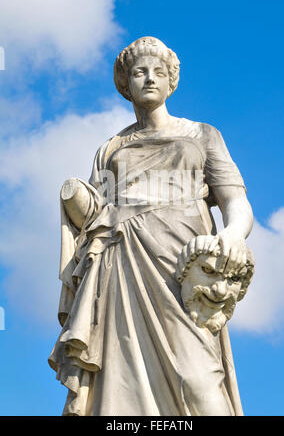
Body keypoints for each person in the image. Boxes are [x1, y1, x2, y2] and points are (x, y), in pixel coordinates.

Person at [48, 36, 253, 416]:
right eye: (140, 72)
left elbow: (235, 201)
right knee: (119, 385)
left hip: (183, 265)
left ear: (171, 81)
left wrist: (232, 233)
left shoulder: (202, 135)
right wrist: (76, 197)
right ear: (125, 83)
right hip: (121, 264)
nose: (150, 79)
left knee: (198, 376)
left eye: (159, 72)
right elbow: (97, 213)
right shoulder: (110, 148)